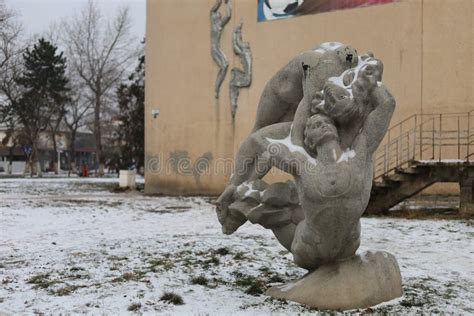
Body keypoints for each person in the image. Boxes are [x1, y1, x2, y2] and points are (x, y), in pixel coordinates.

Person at [216, 61, 395, 269]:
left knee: (288, 201)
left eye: (325, 123)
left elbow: (387, 105)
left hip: (348, 245)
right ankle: (243, 206)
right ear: (308, 140)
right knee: (273, 199)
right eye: (314, 126)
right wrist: (236, 183)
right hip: (308, 248)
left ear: (336, 129)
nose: (321, 126)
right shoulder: (302, 162)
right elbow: (259, 143)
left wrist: (369, 80)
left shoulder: (359, 152)